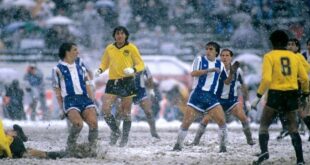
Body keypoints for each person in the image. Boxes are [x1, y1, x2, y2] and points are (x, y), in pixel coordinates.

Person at [251, 30, 309, 165]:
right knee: (293, 127)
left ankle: (264, 152)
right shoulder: (295, 56)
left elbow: (266, 79)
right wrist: (305, 94)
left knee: (264, 125)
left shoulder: (269, 56)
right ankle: (300, 159)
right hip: (291, 94)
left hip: (275, 94)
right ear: (285, 42)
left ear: (272, 42)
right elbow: (305, 78)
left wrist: (258, 96)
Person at [190, 48, 255, 146]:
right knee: (206, 119)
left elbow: (243, 85)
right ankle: (196, 141)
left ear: (231, 57)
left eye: (227, 55)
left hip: (231, 101)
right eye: (222, 55)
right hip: (216, 101)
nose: (224, 57)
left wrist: (247, 101)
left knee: (243, 117)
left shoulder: (238, 71)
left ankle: (249, 140)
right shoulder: (217, 68)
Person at [172, 41, 228, 152]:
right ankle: (178, 145)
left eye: (211, 49)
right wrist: (208, 70)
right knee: (186, 123)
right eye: (207, 49)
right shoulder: (200, 60)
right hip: (198, 95)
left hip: (211, 97)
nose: (208, 51)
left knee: (222, 122)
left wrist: (232, 73)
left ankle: (223, 147)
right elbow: (193, 73)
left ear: (216, 52)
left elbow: (226, 81)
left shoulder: (220, 64)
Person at [95, 26, 145, 147]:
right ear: (114, 36)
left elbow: (141, 64)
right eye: (117, 33)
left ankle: (125, 138)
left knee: (125, 112)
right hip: (113, 81)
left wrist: (133, 69)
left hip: (127, 81)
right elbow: (105, 62)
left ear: (126, 35)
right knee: (105, 110)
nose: (120, 36)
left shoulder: (131, 48)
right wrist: (100, 69)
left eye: (122, 33)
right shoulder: (110, 48)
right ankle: (116, 131)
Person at [52, 42, 98, 155]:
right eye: (75, 50)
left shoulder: (81, 68)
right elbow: (57, 90)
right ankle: (70, 147)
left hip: (84, 98)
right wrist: (61, 108)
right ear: (67, 52)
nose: (77, 52)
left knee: (94, 123)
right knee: (78, 125)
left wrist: (93, 100)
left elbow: (87, 85)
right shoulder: (57, 69)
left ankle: (92, 149)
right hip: (70, 100)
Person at [130, 66, 160, 138]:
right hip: (127, 91)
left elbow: (150, 78)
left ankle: (154, 132)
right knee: (122, 112)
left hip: (140, 92)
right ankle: (117, 133)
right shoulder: (125, 63)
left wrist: (151, 91)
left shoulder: (143, 66)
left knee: (149, 112)